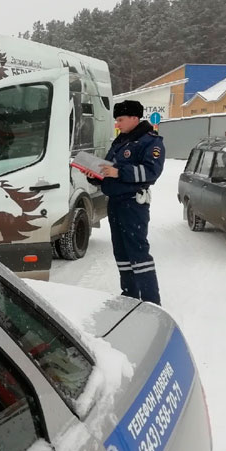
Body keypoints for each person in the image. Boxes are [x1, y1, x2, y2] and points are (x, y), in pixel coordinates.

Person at [90, 100, 165, 305]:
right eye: (116, 120)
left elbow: (152, 172)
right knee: (121, 251)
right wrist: (95, 174)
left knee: (137, 251)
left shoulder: (151, 142)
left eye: (120, 119)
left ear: (134, 118)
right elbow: (108, 169)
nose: (117, 124)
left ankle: (150, 300)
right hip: (115, 202)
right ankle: (130, 295)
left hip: (133, 204)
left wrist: (119, 171)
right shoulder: (121, 141)